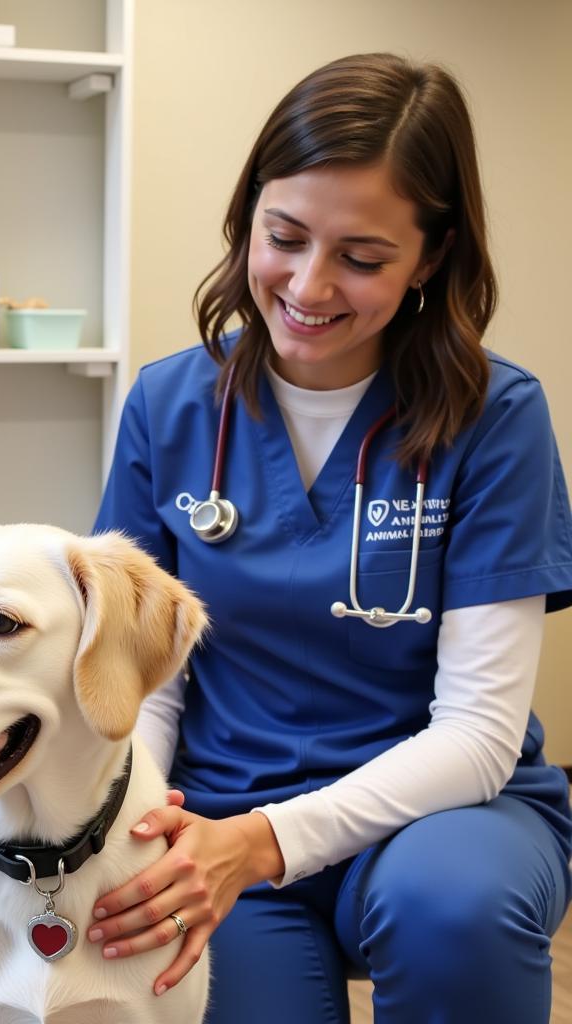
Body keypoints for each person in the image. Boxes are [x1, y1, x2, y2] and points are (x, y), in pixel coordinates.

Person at [83, 52, 572, 1023]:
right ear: (247, 218)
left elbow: (476, 734)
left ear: (429, 257)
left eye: (361, 256)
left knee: (456, 911)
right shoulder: (170, 405)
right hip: (216, 810)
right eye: (285, 236)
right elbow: (143, 681)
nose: (308, 285)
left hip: (442, 817)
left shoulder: (495, 417)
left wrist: (266, 839)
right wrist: (124, 824)